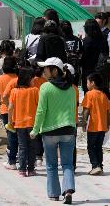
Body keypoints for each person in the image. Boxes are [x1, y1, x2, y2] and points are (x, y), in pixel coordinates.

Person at [30, 57, 76, 204]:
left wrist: (35, 130)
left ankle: (54, 194)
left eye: (46, 68)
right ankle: (68, 190)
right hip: (68, 130)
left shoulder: (45, 87)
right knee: (68, 164)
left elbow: (41, 111)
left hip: (49, 132)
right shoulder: (72, 88)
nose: (44, 70)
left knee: (51, 165)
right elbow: (73, 109)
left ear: (54, 70)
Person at [9, 67, 39, 177]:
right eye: (32, 78)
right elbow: (39, 106)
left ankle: (22, 170)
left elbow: (10, 108)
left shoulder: (14, 91)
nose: (34, 80)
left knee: (22, 147)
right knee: (32, 147)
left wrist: (10, 122)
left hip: (19, 123)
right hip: (33, 124)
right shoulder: (35, 90)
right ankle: (31, 169)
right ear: (27, 79)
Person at [0, 56, 18, 169]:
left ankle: (11, 160)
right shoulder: (18, 78)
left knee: (10, 134)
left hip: (5, 110)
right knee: (18, 133)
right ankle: (17, 156)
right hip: (18, 109)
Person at [82, 73, 110, 175]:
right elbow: (108, 112)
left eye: (87, 82)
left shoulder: (89, 94)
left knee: (91, 147)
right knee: (98, 147)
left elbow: (86, 110)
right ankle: (100, 165)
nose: (86, 84)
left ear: (92, 83)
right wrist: (108, 125)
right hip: (102, 127)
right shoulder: (104, 95)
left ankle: (95, 166)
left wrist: (84, 123)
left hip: (93, 126)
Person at [81, 19, 109, 94]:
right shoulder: (103, 38)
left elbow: (84, 57)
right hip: (101, 69)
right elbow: (107, 52)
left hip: (89, 70)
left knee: (88, 93)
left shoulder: (86, 40)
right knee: (101, 91)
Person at [61, 20, 83, 86]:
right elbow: (81, 53)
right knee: (74, 88)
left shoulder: (60, 40)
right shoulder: (77, 39)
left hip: (63, 69)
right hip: (75, 69)